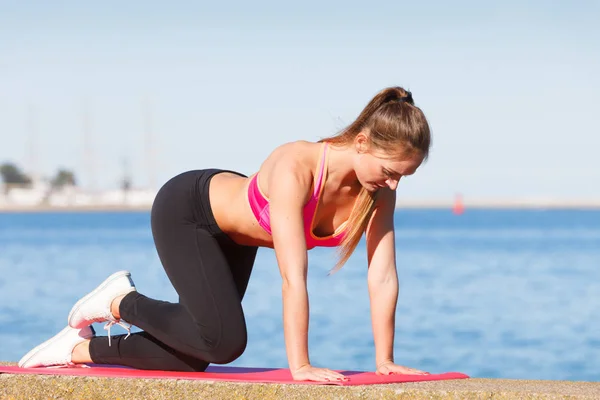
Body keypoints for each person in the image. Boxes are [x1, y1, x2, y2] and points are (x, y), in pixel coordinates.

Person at [19, 86, 431, 382]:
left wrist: (385, 358)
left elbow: (382, 275)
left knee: (198, 355)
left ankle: (76, 350)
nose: (394, 184)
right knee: (224, 342)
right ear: (361, 142)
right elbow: (292, 277)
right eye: (391, 171)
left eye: (403, 176)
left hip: (237, 238)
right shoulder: (297, 166)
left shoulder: (377, 192)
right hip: (190, 209)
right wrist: (300, 365)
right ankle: (120, 301)